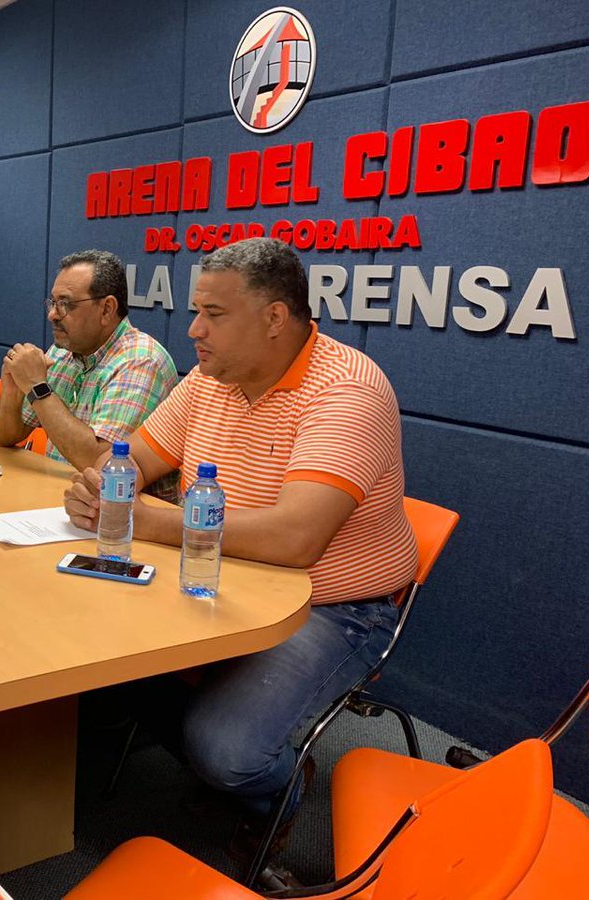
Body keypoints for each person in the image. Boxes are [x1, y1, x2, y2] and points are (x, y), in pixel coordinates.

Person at [63, 238, 418, 858]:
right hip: (222, 573)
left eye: (214, 315)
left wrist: (146, 521)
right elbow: (129, 462)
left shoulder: (347, 391)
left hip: (333, 606)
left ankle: (274, 794)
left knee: (226, 750)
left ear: (275, 317)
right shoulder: (210, 379)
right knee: (87, 660)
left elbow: (295, 539)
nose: (194, 330)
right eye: (196, 312)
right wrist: (101, 489)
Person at [0, 250, 179, 489]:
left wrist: (37, 387)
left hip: (120, 507)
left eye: (65, 304)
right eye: (53, 302)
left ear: (106, 309)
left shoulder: (141, 361)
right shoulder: (62, 351)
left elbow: (102, 466)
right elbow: (4, 436)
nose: (52, 315)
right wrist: (12, 390)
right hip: (60, 496)